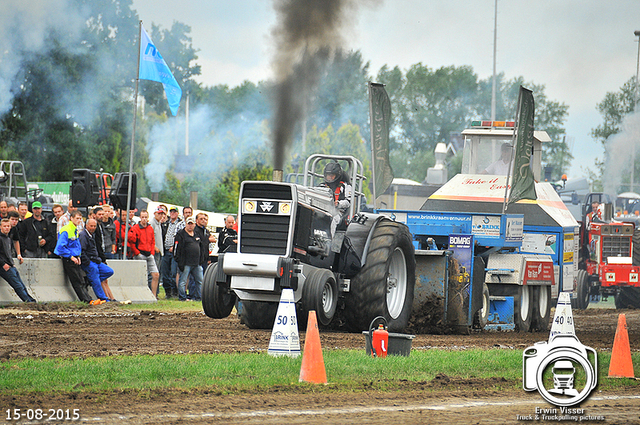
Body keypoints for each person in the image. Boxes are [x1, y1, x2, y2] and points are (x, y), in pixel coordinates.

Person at [54, 211, 102, 305]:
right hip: (69, 258)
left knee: (81, 280)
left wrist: (78, 256)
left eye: (80, 218)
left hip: (75, 257)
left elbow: (76, 246)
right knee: (77, 281)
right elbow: (60, 247)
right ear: (71, 218)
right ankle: (86, 300)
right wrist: (71, 256)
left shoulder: (74, 229)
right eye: (77, 218)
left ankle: (89, 299)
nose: (79, 220)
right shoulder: (67, 229)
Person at [0, 219, 36, 302]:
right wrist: (3, 264)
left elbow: (9, 252)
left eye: (8, 226)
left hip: (10, 264)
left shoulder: (8, 238)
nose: (6, 228)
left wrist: (12, 263)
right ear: (0, 227)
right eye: (4, 226)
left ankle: (31, 301)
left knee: (21, 285)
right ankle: (28, 301)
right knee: (17, 285)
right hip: (5, 266)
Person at [79, 219, 113, 302]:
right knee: (95, 278)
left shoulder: (92, 235)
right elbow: (81, 251)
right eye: (91, 226)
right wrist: (87, 262)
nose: (93, 228)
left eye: (94, 226)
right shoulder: (83, 235)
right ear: (86, 226)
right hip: (89, 262)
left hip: (96, 261)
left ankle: (92, 281)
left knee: (109, 271)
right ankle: (103, 298)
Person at [128, 210, 160, 298]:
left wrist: (152, 252)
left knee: (156, 275)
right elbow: (131, 242)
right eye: (142, 217)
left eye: (146, 217)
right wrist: (137, 253)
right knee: (141, 276)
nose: (144, 219)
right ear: (140, 218)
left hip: (149, 254)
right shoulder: (135, 228)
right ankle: (140, 294)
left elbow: (153, 241)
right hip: (140, 254)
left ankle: (153, 295)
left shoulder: (150, 228)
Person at [174, 216, 203, 301]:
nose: (190, 226)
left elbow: (201, 247)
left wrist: (201, 259)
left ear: (194, 224)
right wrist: (179, 261)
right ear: (186, 224)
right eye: (188, 224)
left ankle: (199, 297)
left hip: (196, 263)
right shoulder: (180, 234)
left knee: (200, 281)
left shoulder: (197, 234)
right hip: (185, 262)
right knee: (183, 281)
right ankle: (182, 297)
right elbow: (176, 249)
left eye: (192, 224)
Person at [320, 162, 352, 235]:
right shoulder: (321, 186)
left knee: (333, 219)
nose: (330, 177)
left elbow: (349, 202)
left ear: (337, 175)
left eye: (332, 175)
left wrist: (339, 204)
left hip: (338, 213)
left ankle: (330, 241)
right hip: (322, 211)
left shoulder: (345, 186)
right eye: (328, 175)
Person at [194, 213, 216, 299]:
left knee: (204, 279)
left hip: (205, 257)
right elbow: (200, 242)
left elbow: (211, 242)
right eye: (201, 219)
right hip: (197, 258)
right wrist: (207, 240)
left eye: (205, 219)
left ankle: (202, 295)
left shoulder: (206, 231)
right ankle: (195, 296)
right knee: (196, 279)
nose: (204, 220)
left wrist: (208, 258)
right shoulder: (195, 230)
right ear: (197, 220)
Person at [161, 207, 182, 298]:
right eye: (171, 212)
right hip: (165, 251)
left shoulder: (180, 224)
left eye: (174, 212)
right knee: (165, 273)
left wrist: (174, 246)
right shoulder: (166, 223)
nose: (173, 213)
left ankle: (175, 292)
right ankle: (167, 292)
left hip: (175, 252)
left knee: (173, 273)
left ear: (177, 213)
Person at [150, 207, 165, 292]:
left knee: (158, 272)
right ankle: (153, 291)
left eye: (161, 214)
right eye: (158, 213)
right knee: (154, 273)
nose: (160, 215)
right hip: (155, 251)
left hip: (159, 251)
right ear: (154, 214)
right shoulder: (152, 223)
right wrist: (155, 247)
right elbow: (150, 236)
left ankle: (156, 292)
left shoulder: (159, 223)